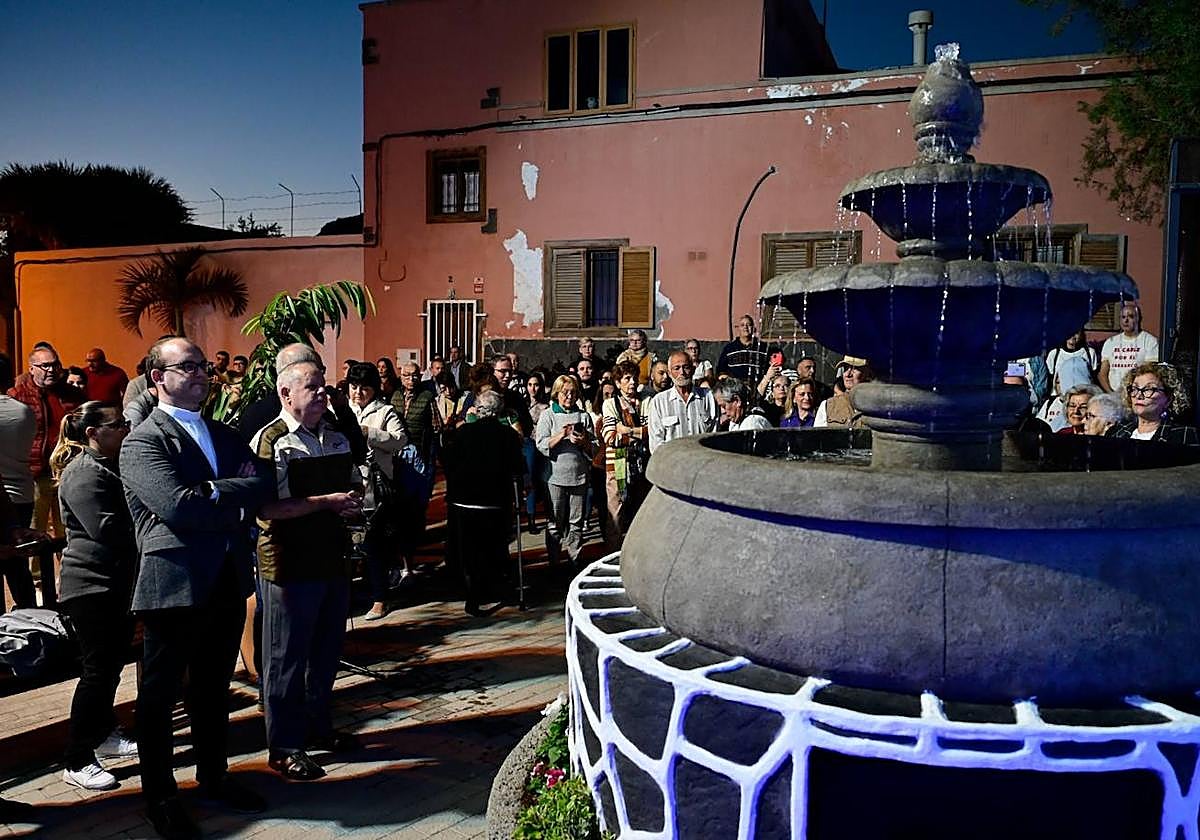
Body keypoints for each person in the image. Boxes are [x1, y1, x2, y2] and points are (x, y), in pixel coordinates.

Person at [120, 337, 273, 837]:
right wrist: (221, 496)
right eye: (187, 367)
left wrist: (211, 492)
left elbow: (263, 482)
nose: (201, 374)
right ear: (156, 378)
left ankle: (215, 776)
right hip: (175, 584)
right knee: (161, 699)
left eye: (203, 366)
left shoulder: (224, 435)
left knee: (213, 690)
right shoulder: (143, 441)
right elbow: (178, 506)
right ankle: (160, 796)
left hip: (226, 578)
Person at [253, 359, 362, 782]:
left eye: (323, 387)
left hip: (331, 555)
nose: (322, 393)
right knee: (285, 655)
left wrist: (354, 496)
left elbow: (353, 480)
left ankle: (319, 726)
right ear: (286, 393)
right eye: (312, 387)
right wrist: (326, 502)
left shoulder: (334, 437)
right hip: (288, 561)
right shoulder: (271, 442)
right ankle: (284, 745)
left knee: (326, 649)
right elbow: (266, 508)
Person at [51, 402, 139, 791]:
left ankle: (105, 733)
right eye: (117, 425)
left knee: (111, 667)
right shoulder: (83, 474)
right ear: (92, 433)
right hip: (90, 587)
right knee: (97, 671)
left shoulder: (112, 466)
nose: (125, 429)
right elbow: (108, 530)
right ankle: (76, 757)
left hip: (115, 583)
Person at [442, 389, 525, 614]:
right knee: (492, 548)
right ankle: (489, 588)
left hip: (464, 502)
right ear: (498, 411)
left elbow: (448, 463)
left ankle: (472, 594)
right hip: (495, 503)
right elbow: (519, 468)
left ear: (479, 410)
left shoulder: (463, 432)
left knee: (469, 551)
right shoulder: (508, 435)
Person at [345, 363, 408, 620]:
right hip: (347, 484)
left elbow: (400, 439)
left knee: (374, 544)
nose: (358, 393)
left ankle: (380, 597)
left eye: (364, 388)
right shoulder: (342, 410)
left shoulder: (385, 412)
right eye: (354, 387)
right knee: (348, 545)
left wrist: (369, 433)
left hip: (375, 487)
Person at [8, 344, 83, 547]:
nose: (51, 370)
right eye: (45, 366)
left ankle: (66, 572)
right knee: (35, 529)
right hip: (35, 472)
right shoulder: (18, 396)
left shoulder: (72, 395)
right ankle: (37, 577)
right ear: (31, 368)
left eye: (55, 365)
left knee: (68, 528)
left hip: (67, 471)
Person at [536, 375, 594, 565]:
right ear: (556, 393)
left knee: (576, 522)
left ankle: (574, 560)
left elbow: (594, 447)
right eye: (565, 393)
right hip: (555, 477)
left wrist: (583, 441)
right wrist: (562, 434)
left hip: (579, 475)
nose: (569, 396)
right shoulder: (548, 415)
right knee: (555, 523)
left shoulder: (583, 416)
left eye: (573, 392)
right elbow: (541, 444)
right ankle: (553, 561)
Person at [391, 362, 441, 573]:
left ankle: (414, 543)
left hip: (419, 454)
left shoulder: (427, 397)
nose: (411, 380)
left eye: (414, 376)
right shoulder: (394, 396)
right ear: (401, 377)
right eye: (407, 376)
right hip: (397, 455)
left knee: (417, 503)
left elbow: (437, 426)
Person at [0, 352, 37, 608]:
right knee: (18, 565)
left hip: (2, 496)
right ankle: (29, 616)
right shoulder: (24, 412)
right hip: (22, 491)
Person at [601, 362, 649, 547]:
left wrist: (627, 431)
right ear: (618, 382)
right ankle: (612, 553)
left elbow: (652, 432)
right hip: (617, 466)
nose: (632, 382)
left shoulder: (646, 401)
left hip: (642, 465)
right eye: (627, 379)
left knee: (641, 511)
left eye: (634, 378)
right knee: (616, 512)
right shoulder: (610, 404)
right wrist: (638, 434)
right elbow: (610, 437)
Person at [1105, 362, 1198, 445]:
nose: (1139, 396)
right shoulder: (1116, 432)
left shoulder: (1184, 436)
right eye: (1135, 389)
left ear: (1169, 398)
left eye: (1149, 389)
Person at [646, 351, 718, 453]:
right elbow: (656, 444)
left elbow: (714, 434)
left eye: (686, 367)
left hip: (702, 463)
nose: (682, 373)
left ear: (693, 370)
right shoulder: (659, 402)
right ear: (670, 373)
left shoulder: (707, 397)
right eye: (677, 368)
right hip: (673, 464)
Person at [1100, 302, 1159, 394]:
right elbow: (1102, 374)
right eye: (1123, 317)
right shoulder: (1110, 342)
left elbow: (1149, 372)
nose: (1126, 320)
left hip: (1138, 394)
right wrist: (1111, 393)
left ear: (1138, 319)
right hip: (1115, 395)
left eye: (1130, 316)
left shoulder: (1149, 341)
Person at [716, 315, 776, 384]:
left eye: (749, 325)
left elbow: (769, 368)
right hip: (735, 387)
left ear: (754, 328)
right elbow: (720, 370)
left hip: (758, 386)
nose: (745, 327)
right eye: (742, 325)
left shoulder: (763, 348)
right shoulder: (729, 348)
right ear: (738, 328)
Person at [815, 356, 872, 428]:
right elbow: (817, 438)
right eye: (845, 368)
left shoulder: (877, 406)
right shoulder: (828, 406)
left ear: (868, 373)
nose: (848, 374)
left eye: (854, 369)